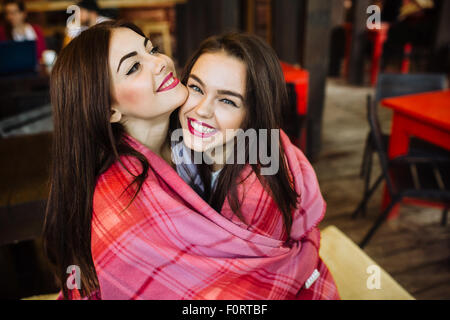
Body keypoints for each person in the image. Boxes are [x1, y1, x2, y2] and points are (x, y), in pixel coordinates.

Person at [43, 20, 188, 299]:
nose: (160, 62)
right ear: (109, 110)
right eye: (134, 67)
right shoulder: (120, 205)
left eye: (152, 50)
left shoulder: (194, 142)